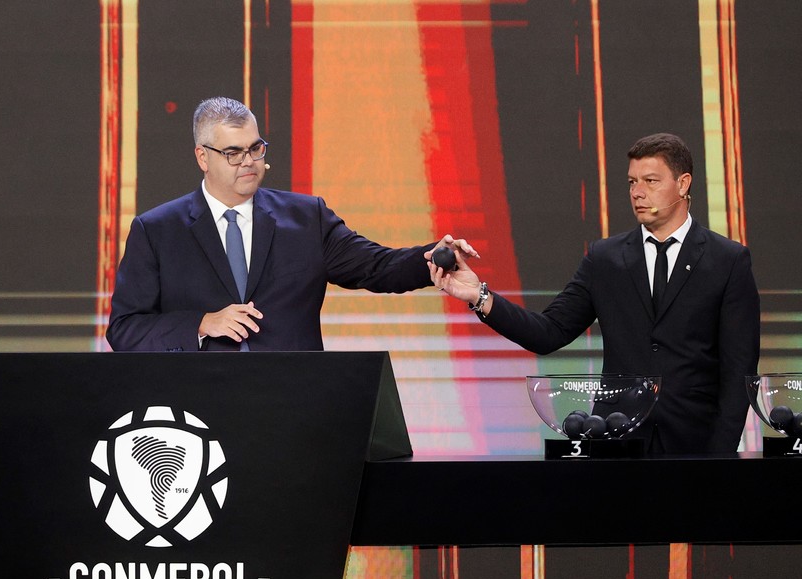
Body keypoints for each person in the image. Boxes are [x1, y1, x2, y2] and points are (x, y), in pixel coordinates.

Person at [429, 132, 760, 454]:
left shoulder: (727, 260)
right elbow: (548, 332)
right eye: (632, 182)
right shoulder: (605, 259)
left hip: (696, 446)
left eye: (651, 181)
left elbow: (739, 368)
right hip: (617, 442)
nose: (637, 193)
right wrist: (479, 296)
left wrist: (720, 455)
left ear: (683, 183)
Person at [106, 96, 475, 352]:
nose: (248, 162)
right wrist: (200, 323)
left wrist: (432, 258)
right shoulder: (157, 231)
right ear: (203, 157)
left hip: (295, 400)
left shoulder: (307, 217)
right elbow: (125, 330)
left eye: (255, 148)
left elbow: (377, 266)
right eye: (233, 153)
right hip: (199, 409)